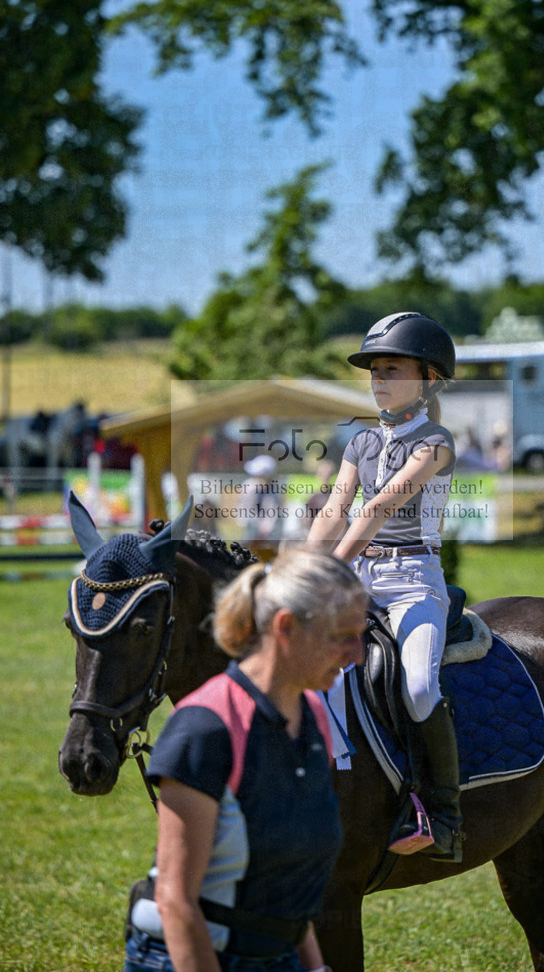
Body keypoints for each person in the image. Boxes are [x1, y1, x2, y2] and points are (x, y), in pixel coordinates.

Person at [124, 549, 367, 972]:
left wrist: (314, 967)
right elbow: (176, 902)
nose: (358, 653)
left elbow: (289, 880)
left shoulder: (313, 719)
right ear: (286, 627)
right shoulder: (203, 730)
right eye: (342, 636)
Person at [307, 312, 464, 861]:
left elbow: (378, 507)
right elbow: (335, 510)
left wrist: (333, 565)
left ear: (426, 378)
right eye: (374, 371)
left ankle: (442, 815)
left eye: (390, 369)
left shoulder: (437, 443)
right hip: (358, 581)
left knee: (419, 686)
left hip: (413, 583)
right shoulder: (360, 442)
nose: (378, 380)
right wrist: (304, 569)